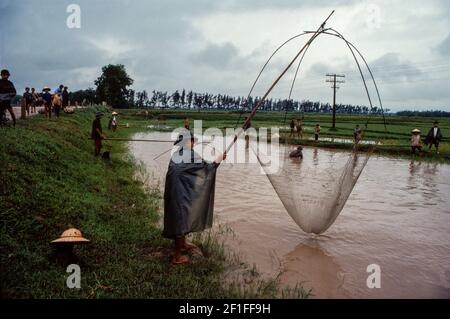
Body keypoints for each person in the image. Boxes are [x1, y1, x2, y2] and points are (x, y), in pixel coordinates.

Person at [163, 130, 226, 265]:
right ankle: (177, 256)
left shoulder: (176, 154)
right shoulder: (190, 154)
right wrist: (219, 159)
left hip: (174, 190)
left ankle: (182, 244)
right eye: (192, 141)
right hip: (179, 191)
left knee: (181, 216)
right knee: (181, 217)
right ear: (187, 142)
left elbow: (190, 171)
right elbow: (207, 168)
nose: (194, 144)